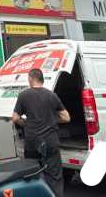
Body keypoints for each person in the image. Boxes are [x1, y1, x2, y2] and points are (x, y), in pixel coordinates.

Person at [12, 68, 70, 197]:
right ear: (42, 80)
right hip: (50, 141)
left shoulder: (23, 95)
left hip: (32, 142)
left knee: (32, 174)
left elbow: (15, 118)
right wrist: (53, 119)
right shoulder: (52, 95)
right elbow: (67, 117)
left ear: (30, 79)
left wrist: (25, 124)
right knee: (54, 176)